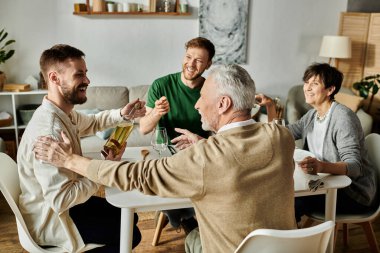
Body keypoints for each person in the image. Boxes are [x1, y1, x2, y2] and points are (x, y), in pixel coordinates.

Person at [34, 64, 297, 253]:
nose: (196, 105)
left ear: (223, 104)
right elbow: (238, 153)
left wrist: (70, 160)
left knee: (193, 239)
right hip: (289, 248)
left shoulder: (205, 158)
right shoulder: (281, 136)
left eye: (202, 98)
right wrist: (207, 142)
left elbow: (138, 175)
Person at [18, 44, 145, 252]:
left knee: (130, 215)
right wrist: (103, 170)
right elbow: (61, 200)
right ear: (54, 78)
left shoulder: (62, 113)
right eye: (79, 75)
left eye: (86, 73)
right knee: (131, 233)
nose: (87, 80)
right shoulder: (49, 132)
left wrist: (122, 114)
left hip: (67, 205)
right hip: (53, 218)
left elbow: (93, 123)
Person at [256, 63, 378, 224]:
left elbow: (354, 167)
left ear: (330, 90)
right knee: (276, 194)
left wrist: (321, 167)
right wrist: (270, 106)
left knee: (286, 203)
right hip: (324, 184)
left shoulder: (342, 118)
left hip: (352, 193)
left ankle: (289, 244)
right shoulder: (313, 115)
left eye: (314, 84)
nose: (307, 88)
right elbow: (282, 135)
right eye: (306, 82)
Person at [139, 37, 215, 232]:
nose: (191, 64)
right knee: (163, 181)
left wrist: (200, 144)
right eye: (188, 56)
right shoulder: (161, 85)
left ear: (208, 64)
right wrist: (156, 113)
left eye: (198, 60)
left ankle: (185, 217)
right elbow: (144, 128)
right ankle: (184, 219)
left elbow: (219, 133)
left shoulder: (211, 89)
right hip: (165, 155)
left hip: (198, 155)